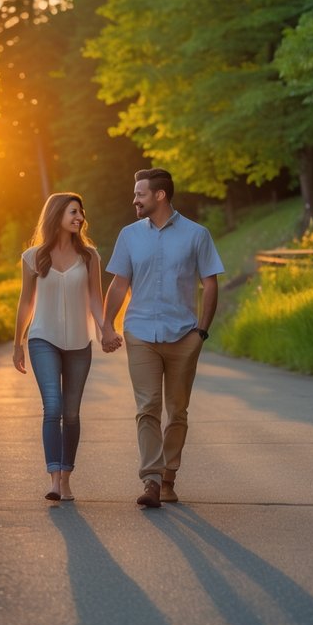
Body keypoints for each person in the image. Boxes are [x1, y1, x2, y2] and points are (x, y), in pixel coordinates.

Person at [101, 168, 224, 508]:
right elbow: (119, 284)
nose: (134, 199)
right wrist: (106, 324)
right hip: (140, 331)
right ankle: (152, 480)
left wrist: (201, 331)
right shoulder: (129, 235)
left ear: (160, 195)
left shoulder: (197, 235)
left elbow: (210, 282)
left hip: (184, 334)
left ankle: (169, 475)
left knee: (177, 410)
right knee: (148, 407)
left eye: (140, 193)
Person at [13, 192, 115, 502]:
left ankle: (67, 478)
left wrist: (105, 328)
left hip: (79, 344)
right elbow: (26, 302)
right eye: (73, 212)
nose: (79, 218)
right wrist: (18, 342)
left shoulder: (90, 257)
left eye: (81, 213)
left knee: (71, 413)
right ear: (56, 214)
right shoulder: (33, 256)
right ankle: (54, 480)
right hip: (43, 338)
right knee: (53, 407)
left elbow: (96, 299)